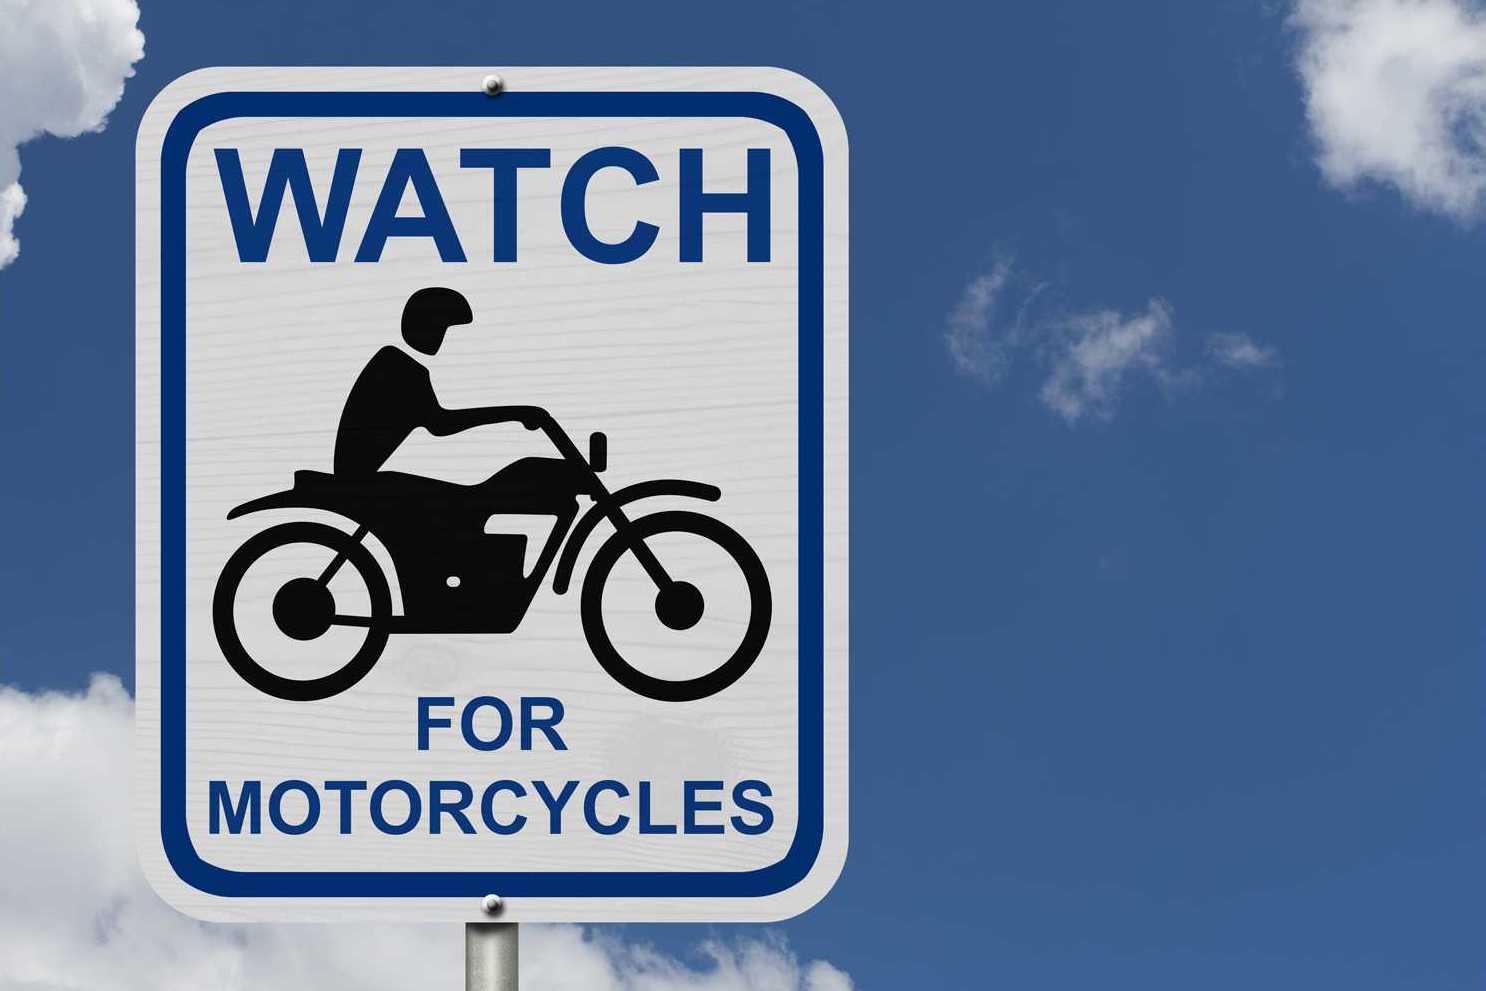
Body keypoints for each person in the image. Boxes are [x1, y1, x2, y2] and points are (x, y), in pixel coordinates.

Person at [332, 287, 547, 477]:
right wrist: (516, 413)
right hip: (360, 477)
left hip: (363, 472)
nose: (447, 339)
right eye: (445, 329)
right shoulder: (400, 368)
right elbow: (440, 424)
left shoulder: (395, 361)